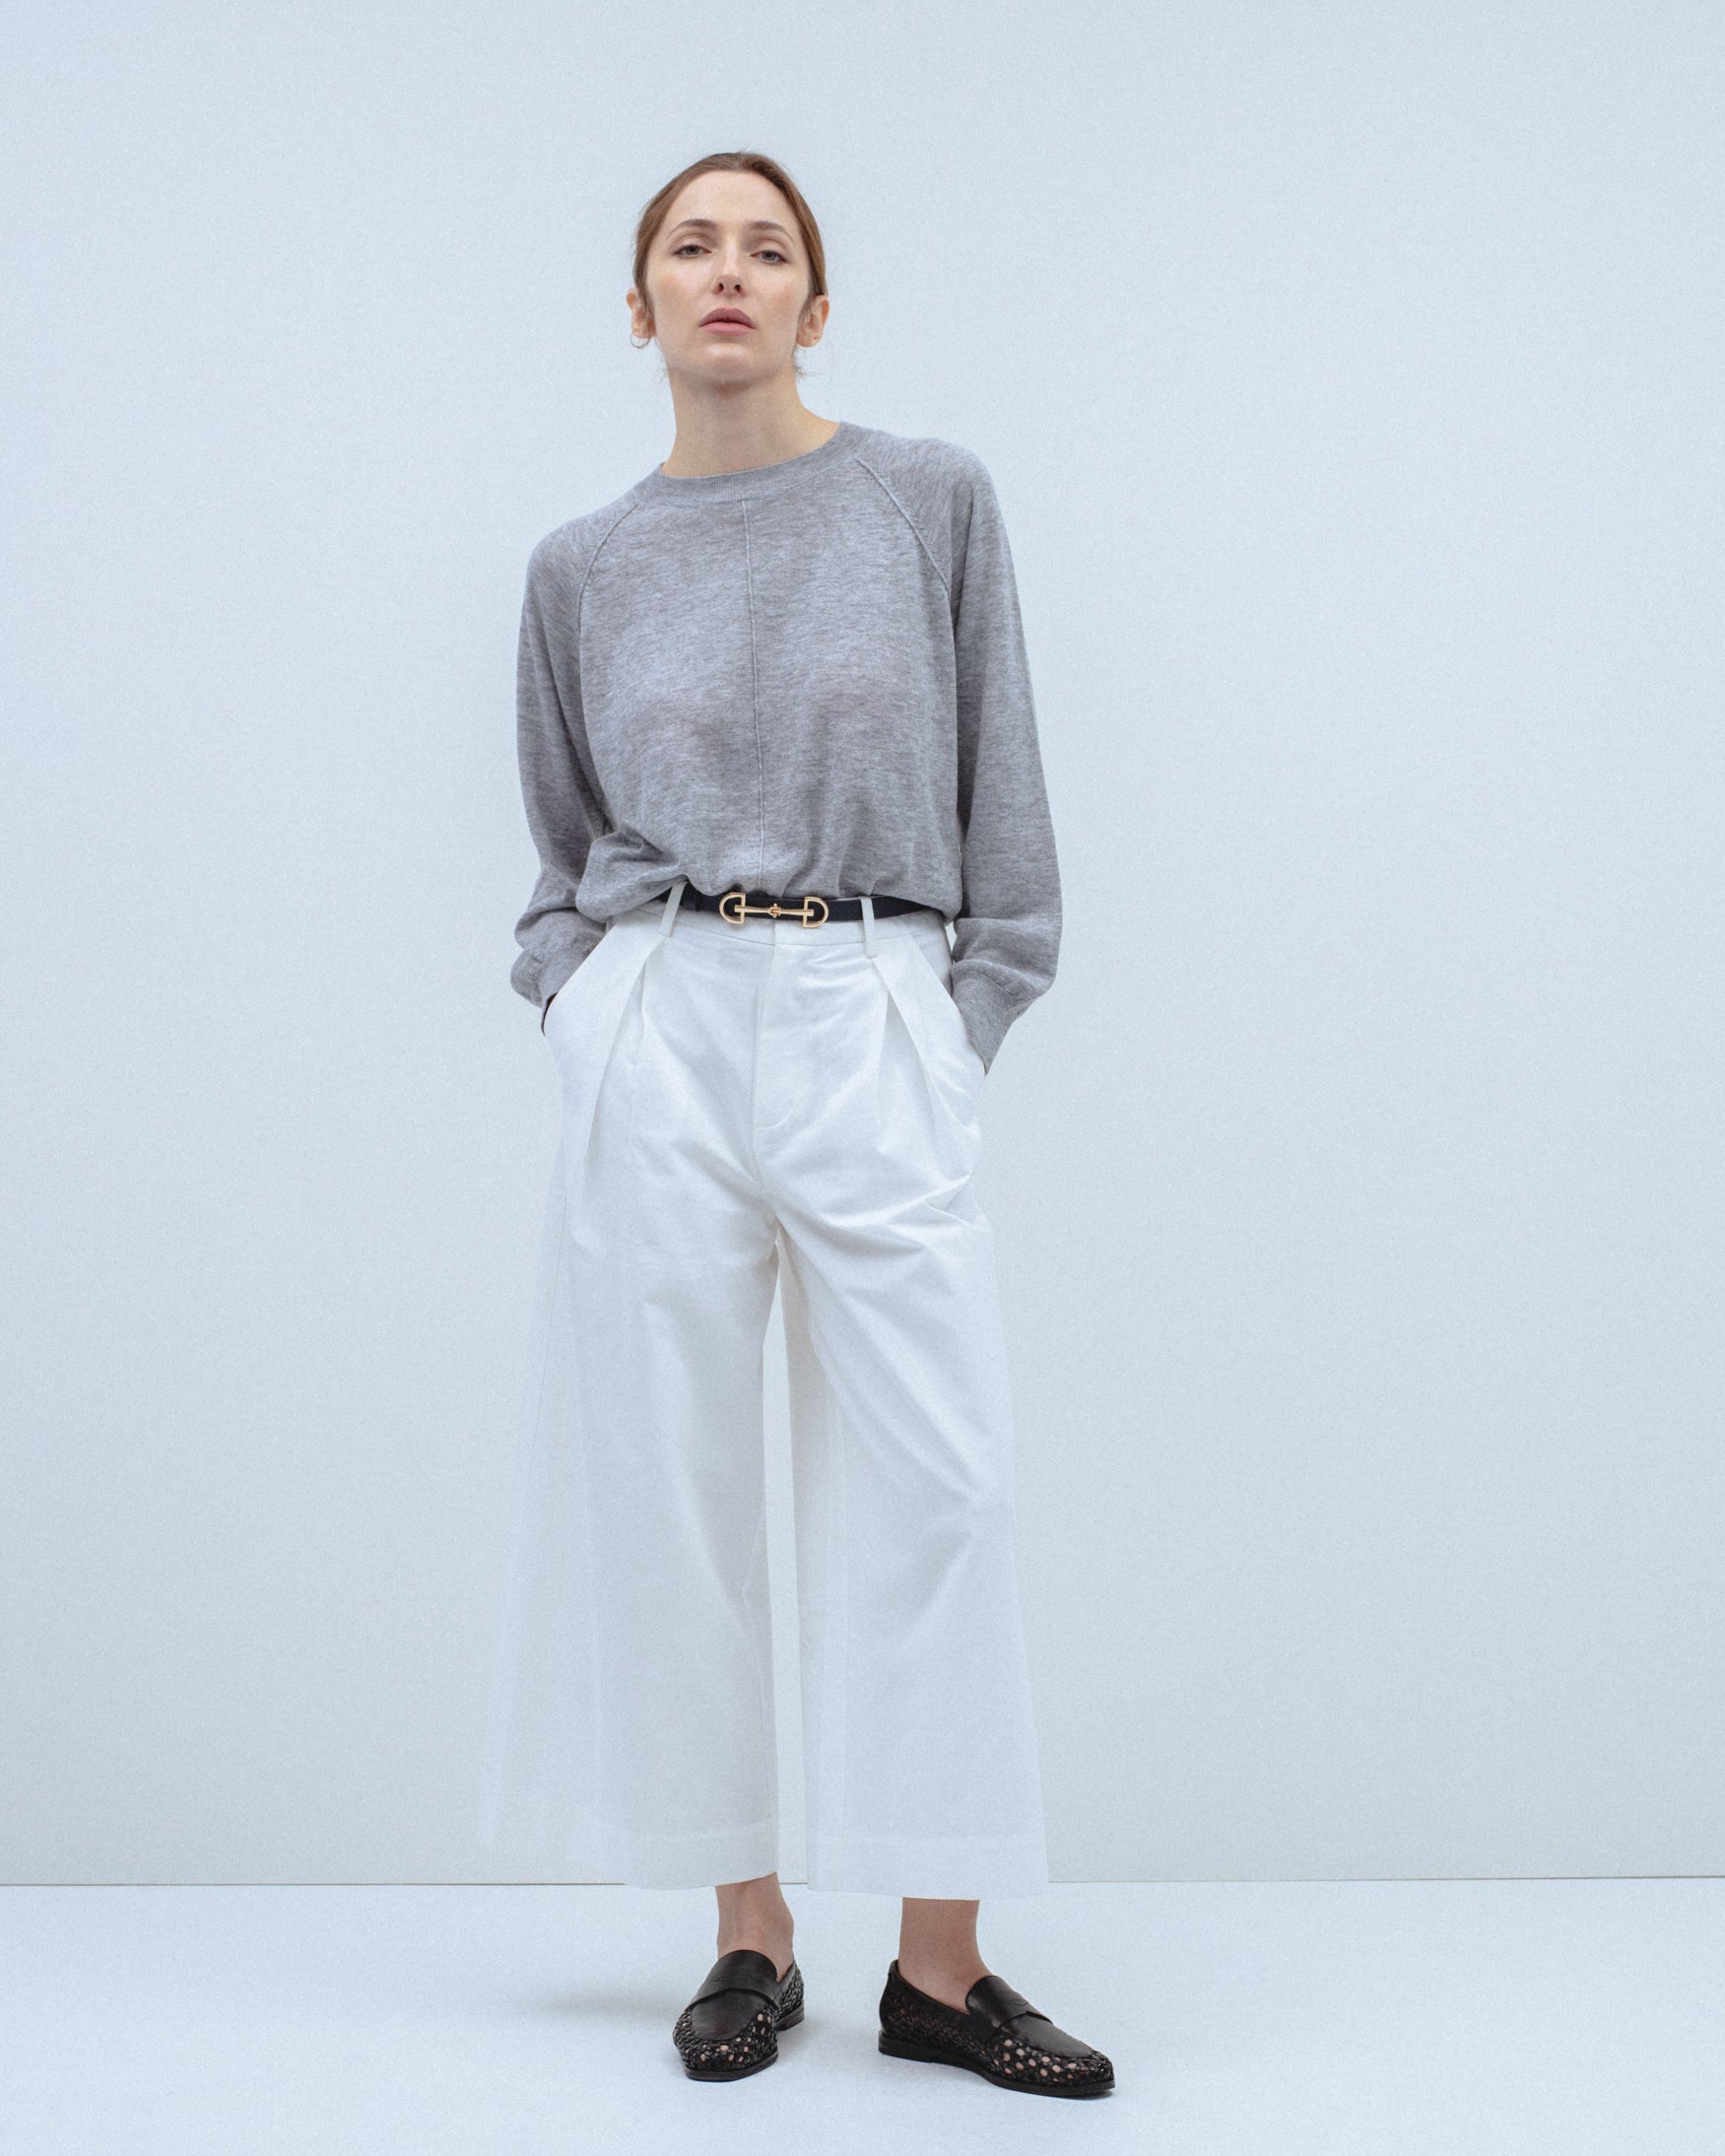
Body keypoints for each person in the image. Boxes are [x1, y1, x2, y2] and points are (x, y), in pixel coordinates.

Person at [480, 148, 1113, 2099]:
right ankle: (747, 1932)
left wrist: (964, 1006)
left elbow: (1003, 776)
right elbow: (560, 839)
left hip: (871, 997)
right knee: (673, 1488)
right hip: (663, 1012)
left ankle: (941, 1963)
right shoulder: (582, 566)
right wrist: (584, 1000)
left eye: (768, 248)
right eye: (692, 246)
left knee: (947, 1478)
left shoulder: (926, 499)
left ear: (817, 306)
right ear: (642, 304)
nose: (729, 272)